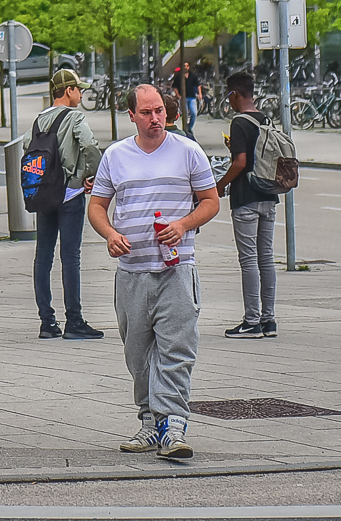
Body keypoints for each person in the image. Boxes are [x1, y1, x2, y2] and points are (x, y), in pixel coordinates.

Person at [88, 83, 220, 462]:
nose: (155, 118)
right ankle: (149, 422)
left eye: (159, 110)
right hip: (132, 272)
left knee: (177, 350)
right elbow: (97, 206)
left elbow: (210, 202)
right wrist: (111, 233)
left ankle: (173, 425)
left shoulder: (187, 151)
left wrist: (183, 224)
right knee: (138, 354)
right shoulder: (116, 155)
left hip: (176, 270)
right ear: (132, 115)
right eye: (146, 112)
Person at [30, 69, 104, 340]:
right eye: (78, 89)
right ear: (69, 90)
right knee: (70, 257)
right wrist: (89, 175)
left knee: (43, 256)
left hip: (44, 196)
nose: (82, 94)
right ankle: (74, 320)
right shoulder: (74, 117)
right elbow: (91, 147)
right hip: (70, 195)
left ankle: (47, 323)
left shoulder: (38, 121)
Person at [216, 71, 277, 340]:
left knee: (249, 259)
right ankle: (268, 320)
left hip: (246, 198)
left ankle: (251, 321)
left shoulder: (238, 123)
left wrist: (220, 184)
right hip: (268, 194)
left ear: (235, 95)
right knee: (266, 257)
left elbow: (240, 162)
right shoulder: (266, 120)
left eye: (229, 96)